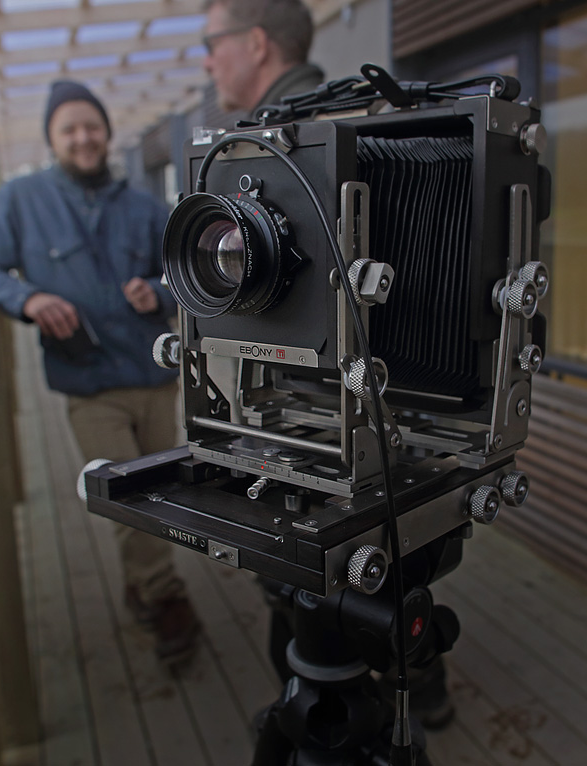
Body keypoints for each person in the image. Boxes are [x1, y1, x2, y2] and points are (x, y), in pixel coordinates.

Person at [200, 0, 455, 731]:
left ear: (254, 44)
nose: (207, 60)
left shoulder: (300, 142)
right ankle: (390, 689)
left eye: (212, 43)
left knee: (323, 579)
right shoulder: (267, 141)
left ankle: (339, 701)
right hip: (353, 414)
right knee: (353, 578)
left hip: (338, 412)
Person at [0, 80, 200, 665]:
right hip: (89, 386)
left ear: (107, 133)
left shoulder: (147, 209)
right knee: (130, 496)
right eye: (69, 129)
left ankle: (142, 585)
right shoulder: (15, 201)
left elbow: (186, 273)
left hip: (156, 376)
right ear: (52, 139)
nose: (83, 138)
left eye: (92, 126)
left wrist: (156, 290)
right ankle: (164, 596)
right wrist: (27, 301)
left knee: (165, 493)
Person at [202, 0, 325, 120]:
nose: (206, 64)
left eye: (211, 46)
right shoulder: (320, 115)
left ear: (256, 44)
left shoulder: (284, 131)